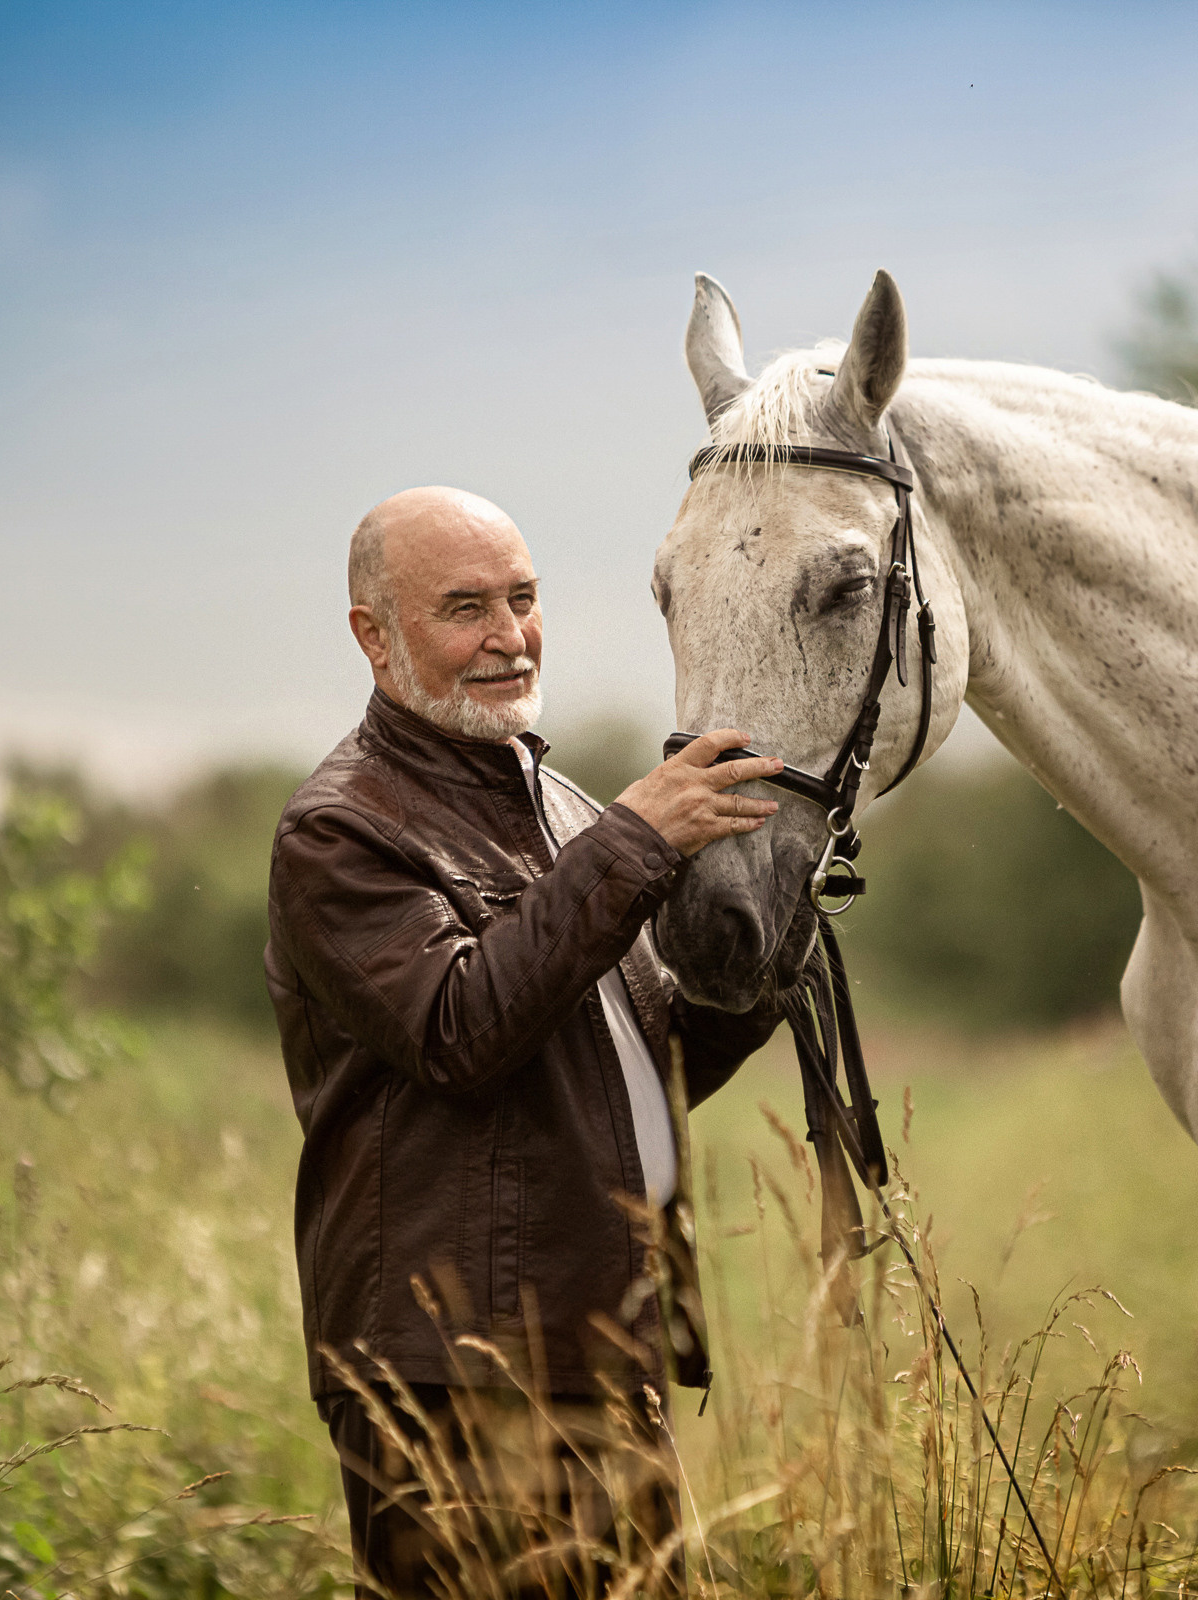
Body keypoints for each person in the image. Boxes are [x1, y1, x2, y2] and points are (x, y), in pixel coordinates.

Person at [264, 485, 788, 1597]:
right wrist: (637, 840)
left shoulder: (561, 808)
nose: (509, 637)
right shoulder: (338, 830)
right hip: (453, 1365)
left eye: (524, 598)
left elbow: (634, 1065)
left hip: (597, 1334)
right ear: (375, 633)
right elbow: (462, 1029)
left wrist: (767, 954)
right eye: (466, 608)